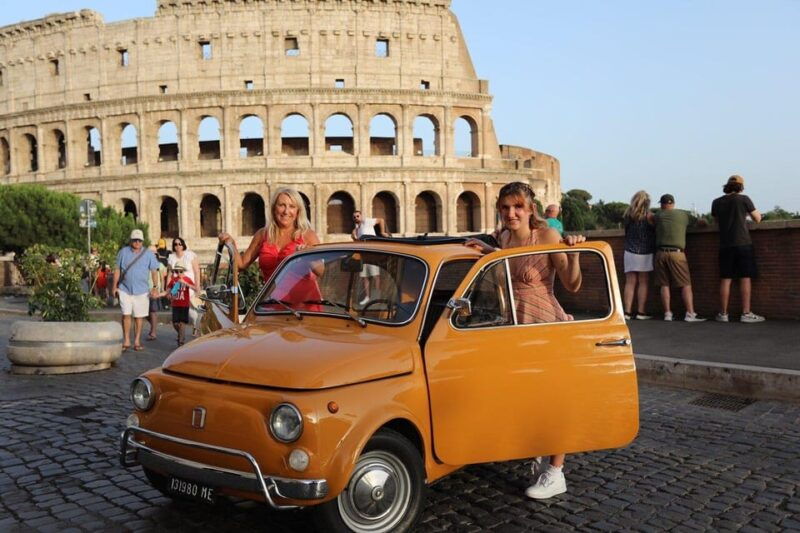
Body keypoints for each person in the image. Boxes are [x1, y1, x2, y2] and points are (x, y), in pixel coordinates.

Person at [464, 181, 585, 500]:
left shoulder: (547, 237)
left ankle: (556, 471)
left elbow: (572, 285)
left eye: (517, 207)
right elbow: (505, 263)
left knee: (552, 399)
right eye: (505, 207)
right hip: (512, 327)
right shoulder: (502, 238)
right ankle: (535, 450)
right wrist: (490, 252)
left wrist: (572, 253)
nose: (511, 213)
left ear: (531, 209)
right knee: (522, 396)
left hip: (545, 324)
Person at [219, 187, 320, 283]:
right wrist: (231, 243)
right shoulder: (262, 235)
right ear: (273, 208)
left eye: (292, 206)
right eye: (282, 205)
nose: (286, 211)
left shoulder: (308, 235)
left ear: (298, 211)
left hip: (304, 299)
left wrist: (309, 257)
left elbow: (322, 271)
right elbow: (241, 265)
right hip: (273, 299)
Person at [711, 175, 765, 323]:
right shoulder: (744, 199)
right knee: (745, 278)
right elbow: (758, 218)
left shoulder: (716, 202)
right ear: (741, 187)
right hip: (743, 243)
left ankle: (723, 314)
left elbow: (716, 221)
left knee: (725, 279)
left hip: (725, 245)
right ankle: (746, 313)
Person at [653, 194, 705, 322]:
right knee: (685, 284)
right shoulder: (683, 215)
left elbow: (650, 220)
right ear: (673, 203)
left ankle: (667, 314)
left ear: (662, 204)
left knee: (664, 284)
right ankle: (690, 313)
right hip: (677, 253)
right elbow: (701, 222)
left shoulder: (658, 215)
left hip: (660, 253)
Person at [111, 229, 161, 351]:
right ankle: (126, 340)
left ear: (142, 241)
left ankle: (137, 340)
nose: (137, 242)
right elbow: (117, 269)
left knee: (139, 316)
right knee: (126, 314)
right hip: (124, 289)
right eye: (135, 240)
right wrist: (114, 286)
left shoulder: (148, 254)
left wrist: (155, 287)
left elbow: (154, 271)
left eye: (139, 240)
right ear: (131, 241)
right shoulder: (123, 252)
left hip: (142, 290)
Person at [622, 191, 656, 320]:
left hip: (629, 251)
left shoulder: (628, 215)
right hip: (645, 252)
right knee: (643, 282)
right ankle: (641, 312)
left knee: (630, 283)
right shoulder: (650, 216)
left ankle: (627, 312)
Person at [351, 210, 390, 305]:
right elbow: (357, 243)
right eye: (354, 217)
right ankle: (367, 297)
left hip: (373, 254)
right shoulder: (357, 229)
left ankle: (377, 297)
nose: (356, 218)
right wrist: (354, 237)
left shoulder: (367, 222)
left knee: (376, 276)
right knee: (365, 277)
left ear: (361, 216)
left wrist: (382, 232)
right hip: (364, 255)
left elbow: (381, 220)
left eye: (357, 216)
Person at [168, 237, 201, 334]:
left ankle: (196, 327)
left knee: (191, 310)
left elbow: (196, 272)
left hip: (189, 285)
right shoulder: (171, 258)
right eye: (175, 244)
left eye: (179, 244)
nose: (177, 246)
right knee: (177, 315)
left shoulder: (190, 255)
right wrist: (167, 289)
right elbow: (169, 275)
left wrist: (197, 287)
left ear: (183, 245)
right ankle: (181, 334)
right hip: (176, 288)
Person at [162, 261, 197, 346]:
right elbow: (169, 289)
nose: (178, 273)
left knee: (182, 323)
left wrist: (186, 283)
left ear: (183, 271)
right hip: (175, 304)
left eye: (180, 271)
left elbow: (195, 288)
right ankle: (181, 334)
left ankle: (181, 341)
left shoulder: (187, 279)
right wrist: (168, 295)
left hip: (184, 304)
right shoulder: (174, 280)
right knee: (175, 323)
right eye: (176, 271)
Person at [146, 245, 167, 340]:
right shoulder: (144, 264)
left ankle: (153, 332)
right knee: (145, 313)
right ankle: (153, 326)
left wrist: (162, 289)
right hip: (144, 290)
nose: (153, 255)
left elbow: (162, 278)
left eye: (154, 253)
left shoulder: (160, 265)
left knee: (153, 311)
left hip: (155, 290)